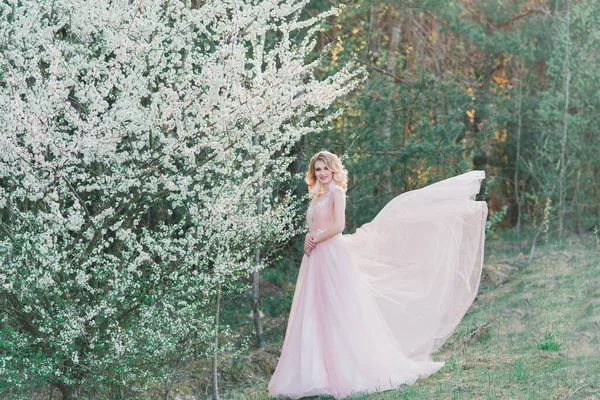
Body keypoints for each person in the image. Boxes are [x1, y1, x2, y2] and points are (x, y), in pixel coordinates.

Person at [268, 150, 488, 399]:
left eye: (325, 168)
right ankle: (315, 373)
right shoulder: (316, 195)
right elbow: (316, 226)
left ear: (333, 170)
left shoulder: (336, 193)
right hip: (317, 258)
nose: (322, 173)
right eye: (317, 169)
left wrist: (314, 238)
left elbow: (338, 226)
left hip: (332, 256)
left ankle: (348, 371)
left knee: (339, 311)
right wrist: (309, 238)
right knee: (315, 312)